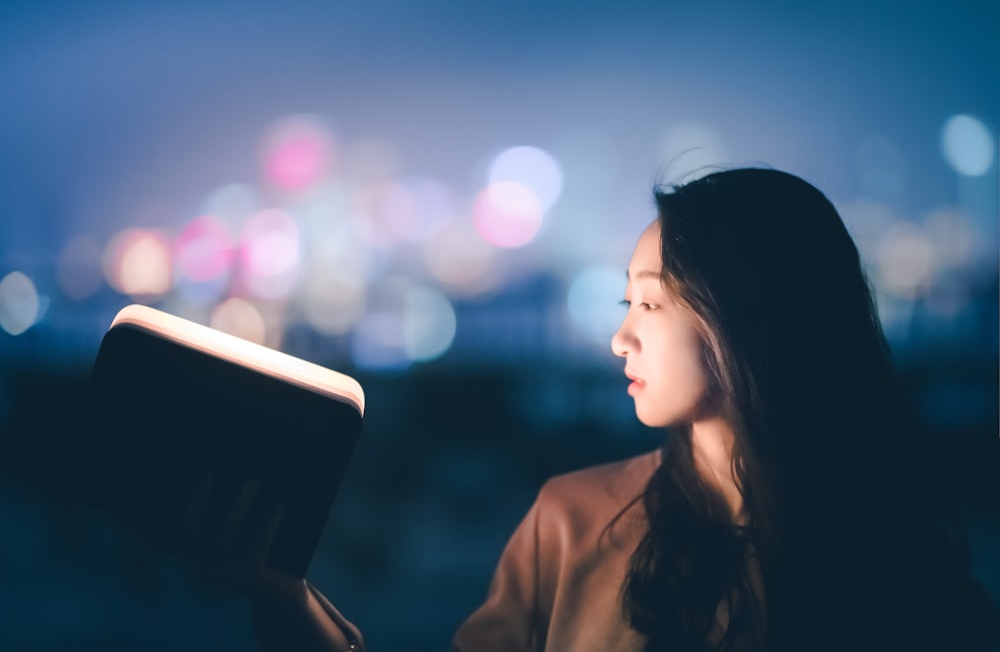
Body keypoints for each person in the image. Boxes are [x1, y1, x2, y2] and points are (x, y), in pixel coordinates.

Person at [191, 168, 999, 651]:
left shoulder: (896, 561)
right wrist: (283, 596)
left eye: (649, 304)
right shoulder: (572, 522)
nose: (620, 337)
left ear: (742, 316)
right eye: (625, 303)